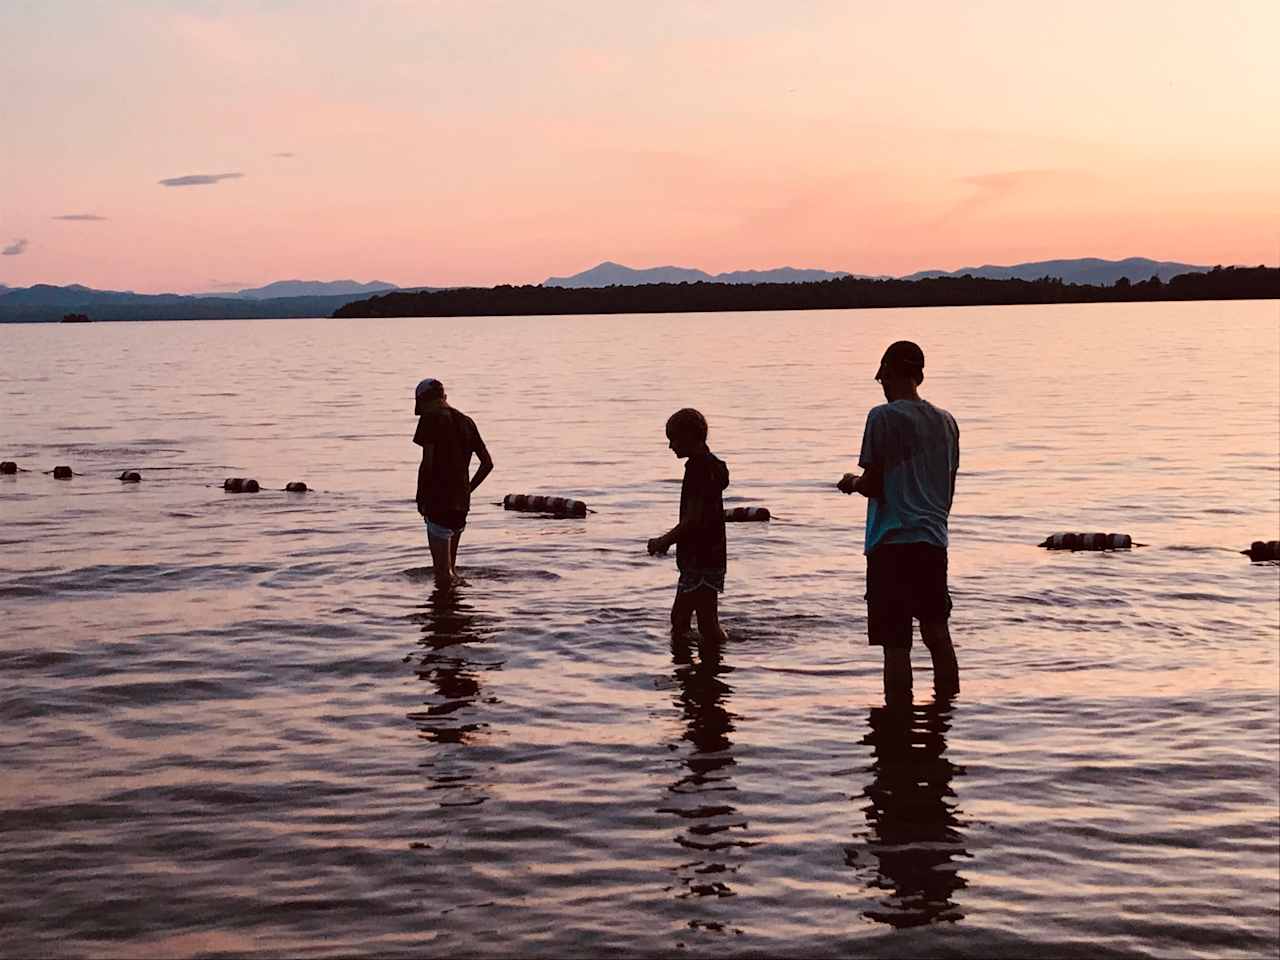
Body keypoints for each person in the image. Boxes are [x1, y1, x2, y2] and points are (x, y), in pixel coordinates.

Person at [838, 341, 959, 705]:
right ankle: (946, 713)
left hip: (891, 544)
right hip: (933, 542)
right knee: (938, 634)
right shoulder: (947, 422)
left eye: (883, 379)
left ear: (888, 374)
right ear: (918, 375)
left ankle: (896, 729)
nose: (883, 387)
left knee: (896, 645)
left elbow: (873, 483)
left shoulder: (882, 417)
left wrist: (852, 483)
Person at [648, 408, 730, 644]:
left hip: (699, 559)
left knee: (700, 623)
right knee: (683, 620)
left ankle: (707, 666)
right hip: (711, 556)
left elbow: (693, 520)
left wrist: (664, 541)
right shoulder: (713, 466)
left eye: (673, 439)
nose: (670, 446)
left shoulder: (698, 469)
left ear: (689, 437)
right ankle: (702, 670)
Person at [413, 377, 493, 589]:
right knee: (451, 570)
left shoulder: (430, 419)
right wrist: (467, 490)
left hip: (438, 501)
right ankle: (456, 615)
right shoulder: (466, 421)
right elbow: (487, 464)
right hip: (460, 505)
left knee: (442, 574)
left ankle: (446, 616)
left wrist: (421, 497)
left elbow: (427, 464)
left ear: (423, 401)